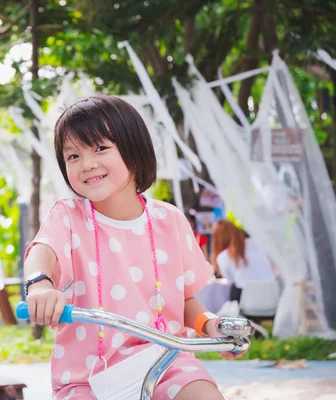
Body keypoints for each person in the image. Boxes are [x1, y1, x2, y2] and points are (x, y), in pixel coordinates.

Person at [23, 96, 246, 400]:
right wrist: (39, 285)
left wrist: (209, 325)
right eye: (73, 156)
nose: (87, 164)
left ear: (134, 150)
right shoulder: (68, 217)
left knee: (203, 394)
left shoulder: (170, 221)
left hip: (165, 363)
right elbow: (42, 251)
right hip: (87, 377)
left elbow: (182, 300)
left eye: (100, 148)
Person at [211, 220, 276, 302]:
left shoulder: (224, 257)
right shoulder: (261, 246)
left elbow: (230, 280)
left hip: (245, 303)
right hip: (271, 299)